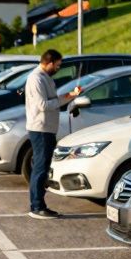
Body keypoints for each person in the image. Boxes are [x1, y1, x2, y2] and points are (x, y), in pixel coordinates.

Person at [24, 49, 82, 219]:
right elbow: (42, 105)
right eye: (57, 65)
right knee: (40, 168)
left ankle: (38, 204)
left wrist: (70, 95)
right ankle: (37, 206)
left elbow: (51, 100)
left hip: (47, 128)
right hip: (40, 128)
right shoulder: (36, 78)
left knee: (41, 167)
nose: (58, 68)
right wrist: (65, 97)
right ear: (49, 63)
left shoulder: (44, 77)